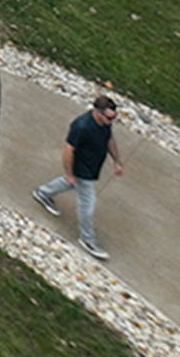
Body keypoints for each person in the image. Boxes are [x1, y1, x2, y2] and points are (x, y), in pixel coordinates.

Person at [34, 95, 125, 260]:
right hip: (82, 170)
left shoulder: (105, 125)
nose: (112, 121)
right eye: (109, 117)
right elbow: (68, 150)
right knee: (87, 204)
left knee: (69, 184)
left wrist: (117, 161)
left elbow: (109, 140)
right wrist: (69, 173)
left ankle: (43, 193)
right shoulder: (81, 127)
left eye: (114, 118)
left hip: (92, 168)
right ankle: (87, 239)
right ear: (97, 112)